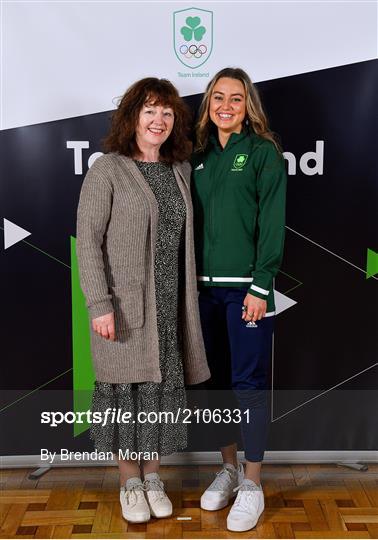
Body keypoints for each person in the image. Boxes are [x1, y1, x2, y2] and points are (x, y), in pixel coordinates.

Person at [76, 77, 210, 524]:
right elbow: (88, 242)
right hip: (125, 307)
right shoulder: (108, 169)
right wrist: (99, 304)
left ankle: (153, 477)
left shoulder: (180, 169)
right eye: (150, 111)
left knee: (157, 394)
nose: (159, 120)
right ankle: (128, 481)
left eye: (167, 113)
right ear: (132, 117)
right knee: (124, 392)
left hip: (170, 307)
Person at [191, 67, 287, 532]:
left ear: (248, 105)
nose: (225, 106)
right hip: (202, 291)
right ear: (208, 103)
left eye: (235, 98)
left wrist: (260, 286)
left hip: (245, 291)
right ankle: (228, 469)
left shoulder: (263, 153)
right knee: (214, 384)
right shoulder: (197, 154)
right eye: (218, 98)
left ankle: (252, 483)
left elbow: (272, 223)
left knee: (247, 384)